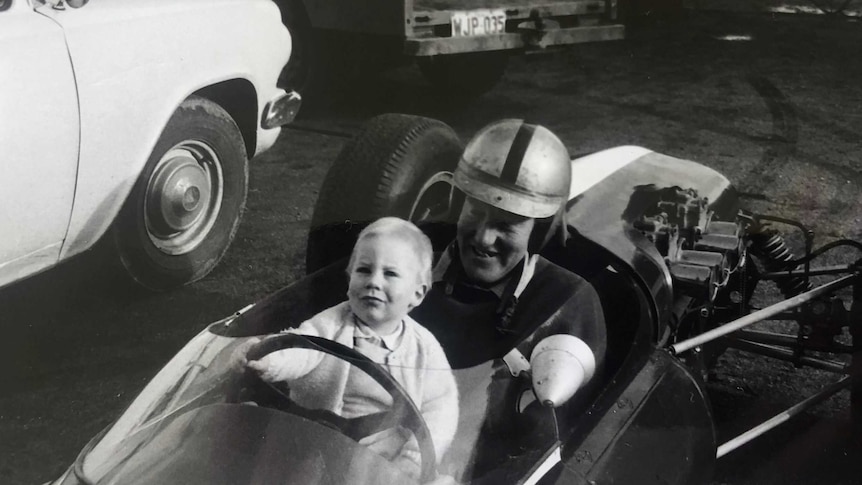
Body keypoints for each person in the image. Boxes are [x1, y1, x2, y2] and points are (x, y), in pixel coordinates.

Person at [410, 119, 607, 477]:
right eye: (475, 212)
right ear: (459, 202)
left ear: (539, 229)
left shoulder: (568, 301)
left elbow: (547, 449)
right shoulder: (410, 256)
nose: (484, 238)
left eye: (508, 224)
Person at [244, 217, 458, 480]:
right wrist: (272, 361)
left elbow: (442, 407)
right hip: (316, 441)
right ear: (349, 277)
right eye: (364, 270)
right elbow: (303, 346)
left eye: (390, 274)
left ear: (417, 293)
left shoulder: (424, 348)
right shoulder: (333, 322)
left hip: (384, 457)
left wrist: (413, 458)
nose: (374, 282)